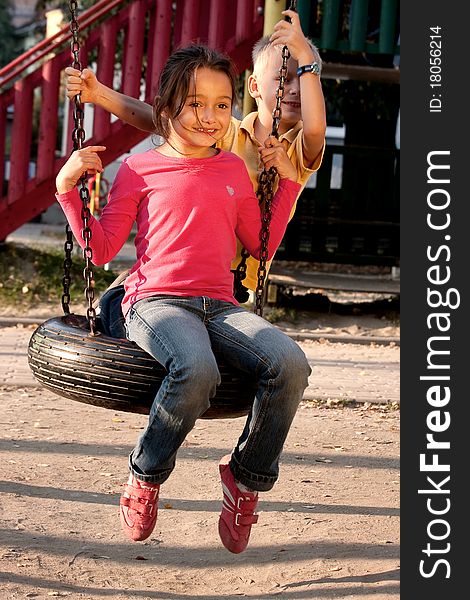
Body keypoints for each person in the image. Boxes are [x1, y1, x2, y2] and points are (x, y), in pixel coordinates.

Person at [56, 44, 312, 554]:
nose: (212, 117)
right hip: (155, 302)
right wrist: (68, 190)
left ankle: (244, 478)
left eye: (222, 105)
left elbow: (260, 244)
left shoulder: (233, 172)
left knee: (291, 363)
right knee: (196, 369)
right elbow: (102, 249)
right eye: (196, 103)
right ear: (167, 107)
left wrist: (284, 181)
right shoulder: (139, 169)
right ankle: (147, 473)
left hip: (219, 304)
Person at [64, 9, 326, 313]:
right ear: (254, 86)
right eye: (284, 78)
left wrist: (307, 56)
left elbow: (317, 126)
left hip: (228, 279)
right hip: (175, 266)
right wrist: (98, 94)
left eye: (304, 78)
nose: (294, 88)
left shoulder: (297, 153)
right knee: (129, 298)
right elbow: (157, 119)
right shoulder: (226, 129)